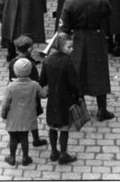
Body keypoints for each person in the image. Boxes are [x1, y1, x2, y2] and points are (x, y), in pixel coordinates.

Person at [59, 0, 114, 121]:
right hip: (97, 38)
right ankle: (102, 110)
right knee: (100, 72)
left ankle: (79, 110)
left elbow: (63, 27)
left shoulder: (70, 2)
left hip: (77, 39)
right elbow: (108, 14)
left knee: (78, 72)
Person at [39, 32, 81, 164]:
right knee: (64, 128)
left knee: (52, 126)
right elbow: (74, 83)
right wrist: (78, 97)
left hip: (52, 100)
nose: (72, 49)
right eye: (69, 47)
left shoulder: (47, 60)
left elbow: (42, 80)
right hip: (65, 100)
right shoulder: (68, 63)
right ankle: (63, 154)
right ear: (60, 47)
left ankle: (53, 152)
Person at [7, 35, 48, 148]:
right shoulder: (31, 65)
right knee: (32, 117)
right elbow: (37, 82)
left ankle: (19, 137)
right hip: (30, 98)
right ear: (29, 49)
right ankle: (35, 138)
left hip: (16, 98)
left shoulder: (12, 63)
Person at [1, 57, 42, 166]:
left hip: (13, 117)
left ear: (15, 71)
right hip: (28, 116)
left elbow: (6, 103)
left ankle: (12, 157)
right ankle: (25, 157)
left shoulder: (11, 87)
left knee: (13, 138)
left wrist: (3, 114)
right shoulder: (34, 85)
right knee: (24, 137)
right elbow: (42, 94)